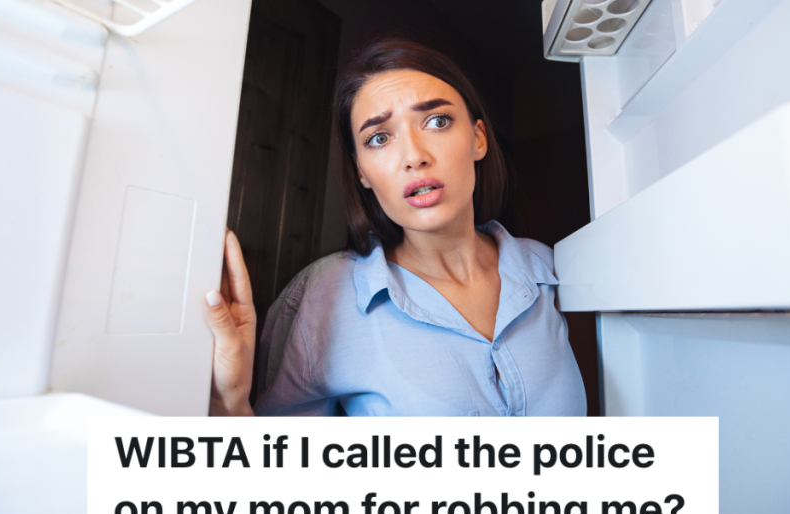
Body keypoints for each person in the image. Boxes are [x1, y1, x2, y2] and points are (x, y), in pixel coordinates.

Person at [205, 38, 587, 417]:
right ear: (361, 173)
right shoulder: (323, 296)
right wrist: (230, 403)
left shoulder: (548, 269)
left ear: (478, 138)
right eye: (380, 138)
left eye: (437, 121)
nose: (415, 157)